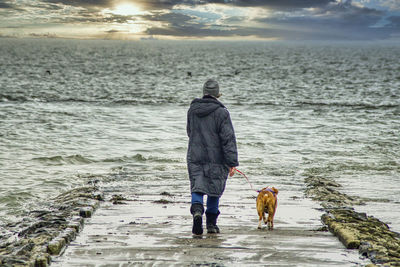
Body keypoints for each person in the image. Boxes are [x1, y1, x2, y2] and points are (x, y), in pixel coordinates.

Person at [186, 78, 239, 235]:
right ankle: (211, 224)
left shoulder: (192, 110)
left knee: (198, 185)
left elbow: (190, 132)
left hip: (195, 155)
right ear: (217, 95)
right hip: (217, 158)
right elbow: (228, 139)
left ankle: (197, 212)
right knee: (214, 189)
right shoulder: (222, 113)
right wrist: (232, 162)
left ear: (204, 93)